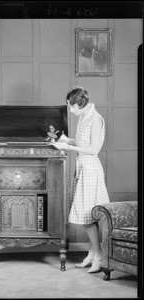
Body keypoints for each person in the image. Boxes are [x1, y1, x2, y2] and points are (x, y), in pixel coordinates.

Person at [54, 86, 110, 273]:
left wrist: (68, 148)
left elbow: (93, 149)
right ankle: (91, 254)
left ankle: (98, 256)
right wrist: (66, 140)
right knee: (88, 216)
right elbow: (83, 143)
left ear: (81, 103)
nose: (70, 110)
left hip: (91, 169)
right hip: (83, 168)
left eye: (72, 106)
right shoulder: (83, 118)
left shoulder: (95, 119)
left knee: (88, 217)